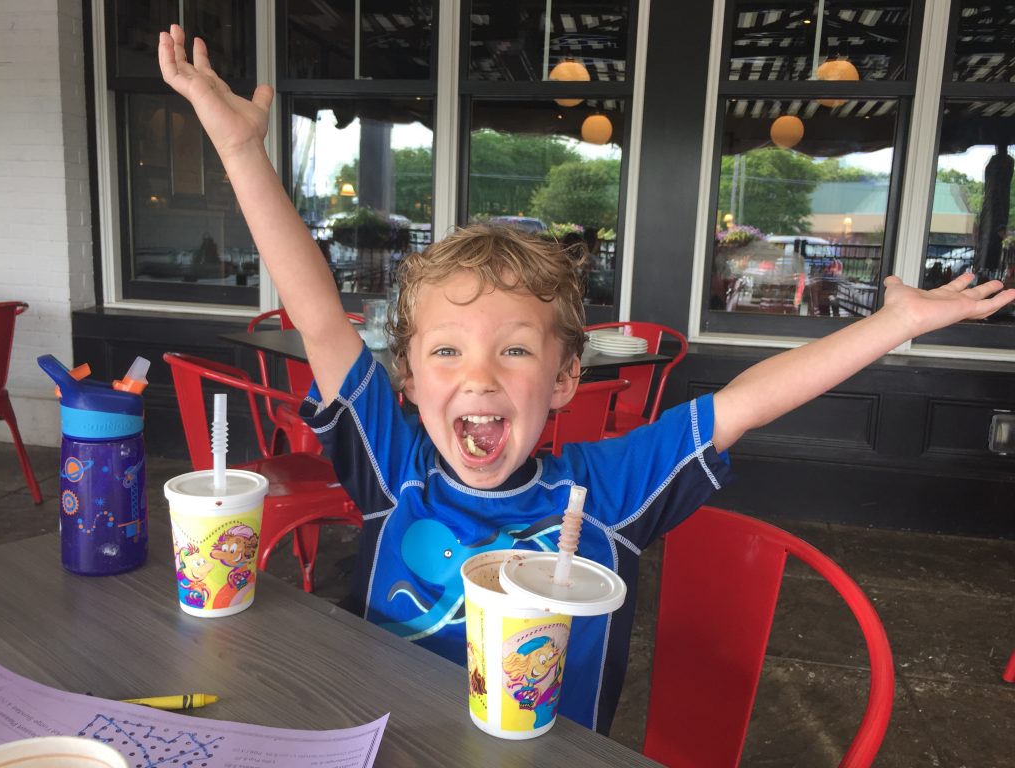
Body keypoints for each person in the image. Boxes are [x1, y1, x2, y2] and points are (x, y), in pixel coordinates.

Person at [158, 25, 1015, 734]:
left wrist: (894, 323)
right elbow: (318, 316)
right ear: (407, 381)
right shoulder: (395, 465)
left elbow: (745, 403)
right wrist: (240, 148)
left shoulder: (605, 494)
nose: (479, 374)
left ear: (566, 377)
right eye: (447, 352)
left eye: (515, 351)